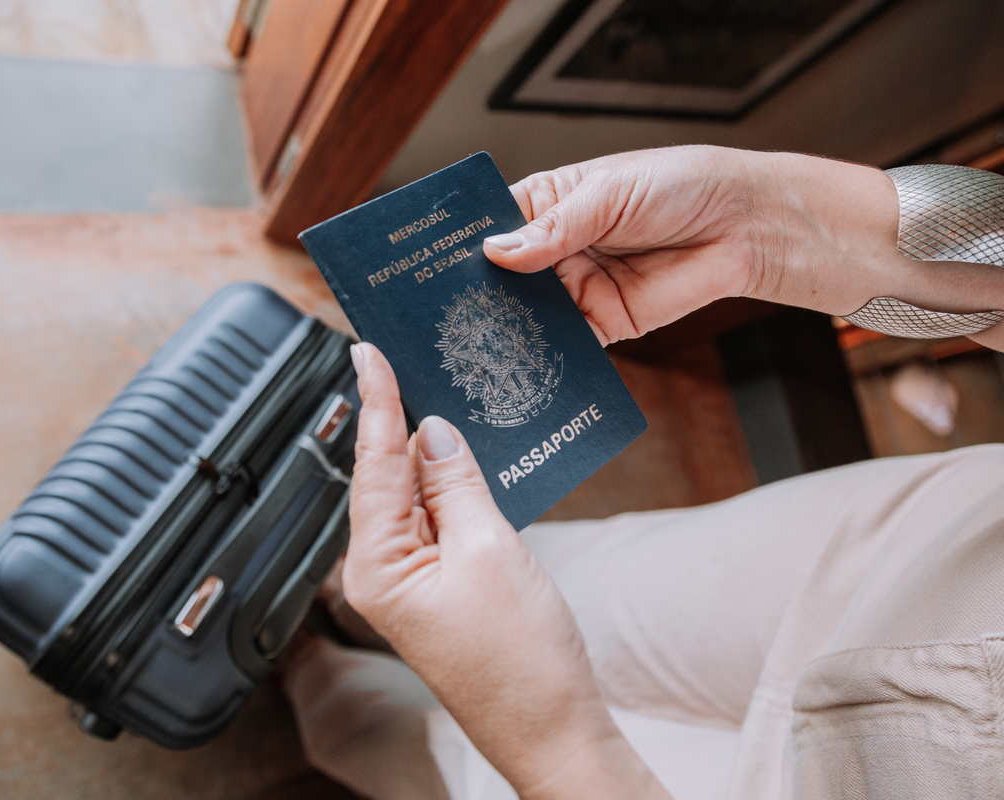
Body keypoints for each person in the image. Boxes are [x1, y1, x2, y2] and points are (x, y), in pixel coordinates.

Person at [280, 145, 1004, 800]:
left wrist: (554, 755)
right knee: (588, 580)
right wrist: (762, 218)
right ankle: (345, 597)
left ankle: (307, 672)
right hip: (938, 552)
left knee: (455, 754)